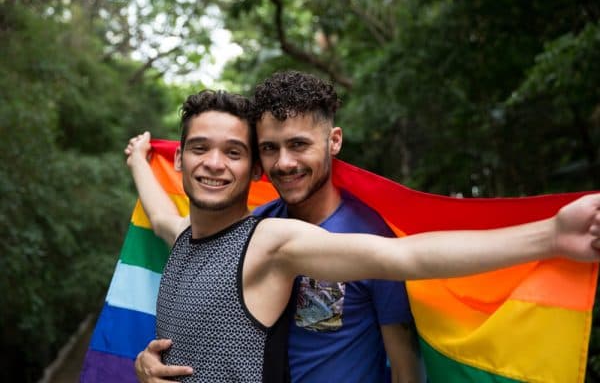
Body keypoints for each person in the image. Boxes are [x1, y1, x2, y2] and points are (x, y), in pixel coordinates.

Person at [127, 89, 600, 383]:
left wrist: (552, 235)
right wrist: (138, 161)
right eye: (198, 149)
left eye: (233, 151)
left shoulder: (270, 239)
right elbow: (166, 218)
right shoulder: (199, 239)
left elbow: (406, 258)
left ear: (251, 171)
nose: (213, 163)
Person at [137, 71, 423, 383]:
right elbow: (170, 225)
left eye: (298, 144)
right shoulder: (257, 228)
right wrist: (138, 160)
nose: (284, 163)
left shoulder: (369, 234)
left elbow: (405, 368)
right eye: (270, 148)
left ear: (334, 141)